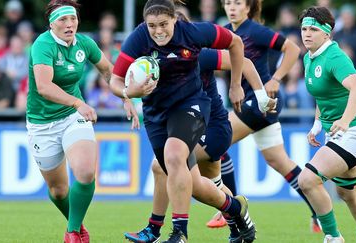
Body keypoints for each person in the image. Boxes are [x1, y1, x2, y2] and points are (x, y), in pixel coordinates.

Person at [110, 1, 256, 242]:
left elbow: (235, 42)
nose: (158, 31)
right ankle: (234, 208)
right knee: (194, 184)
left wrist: (236, 84)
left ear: (174, 19)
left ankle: (178, 233)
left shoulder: (193, 32)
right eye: (152, 25)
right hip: (156, 115)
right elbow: (115, 80)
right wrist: (129, 92)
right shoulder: (138, 38)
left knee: (173, 155)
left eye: (163, 24)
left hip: (192, 105)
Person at [123, 46, 276, 243]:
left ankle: (154, 228)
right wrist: (127, 95)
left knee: (162, 166)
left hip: (212, 129)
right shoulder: (160, 60)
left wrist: (258, 95)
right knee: (211, 186)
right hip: (192, 127)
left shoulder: (197, 54)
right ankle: (239, 223)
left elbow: (244, 61)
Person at [220, 0, 321, 233]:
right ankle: (319, 210)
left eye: (237, 3)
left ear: (248, 7)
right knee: (279, 161)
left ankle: (232, 208)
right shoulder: (224, 32)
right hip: (254, 104)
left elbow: (293, 49)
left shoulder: (255, 30)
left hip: (260, 101)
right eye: (227, 3)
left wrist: (275, 79)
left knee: (215, 141)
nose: (231, 7)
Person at [25, 1, 113, 242]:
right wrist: (78, 103)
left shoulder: (85, 43)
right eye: (63, 20)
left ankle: (72, 233)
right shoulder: (43, 44)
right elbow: (44, 87)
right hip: (42, 123)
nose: (69, 24)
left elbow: (108, 71)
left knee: (85, 172)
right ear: (51, 23)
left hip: (73, 118)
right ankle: (77, 226)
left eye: (72, 19)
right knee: (58, 190)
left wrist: (126, 95)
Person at [297, 6, 356, 243]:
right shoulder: (309, 56)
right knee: (347, 192)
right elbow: (323, 94)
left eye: (313, 29)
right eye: (304, 28)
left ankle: (333, 237)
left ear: (327, 33)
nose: (307, 34)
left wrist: (345, 121)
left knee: (307, 179)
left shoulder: (334, 56)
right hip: (338, 132)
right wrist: (317, 124)